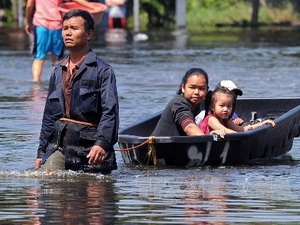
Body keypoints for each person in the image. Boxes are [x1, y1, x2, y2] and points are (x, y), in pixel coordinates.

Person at [35, 9, 119, 174]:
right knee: (48, 184)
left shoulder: (103, 71)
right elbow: (49, 115)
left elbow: (110, 113)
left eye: (74, 28)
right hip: (60, 146)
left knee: (96, 195)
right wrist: (41, 152)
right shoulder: (58, 70)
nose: (68, 33)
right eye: (65, 28)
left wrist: (102, 144)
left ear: (88, 34)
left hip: (91, 147)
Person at [25, 0, 93, 83]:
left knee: (39, 57)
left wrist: (28, 22)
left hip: (41, 24)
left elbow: (29, 6)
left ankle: (36, 83)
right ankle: (59, 82)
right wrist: (91, 6)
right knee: (57, 58)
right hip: (56, 25)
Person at [152, 68, 225, 137]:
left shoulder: (202, 104)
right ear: (183, 88)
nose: (196, 92)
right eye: (192, 87)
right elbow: (189, 127)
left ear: (207, 90)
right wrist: (207, 139)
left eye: (201, 89)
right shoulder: (178, 103)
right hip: (162, 147)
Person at [199, 86, 275, 135]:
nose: (225, 109)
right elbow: (226, 130)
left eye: (229, 106)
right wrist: (244, 136)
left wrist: (262, 124)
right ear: (212, 107)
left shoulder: (226, 120)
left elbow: (242, 129)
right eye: (222, 106)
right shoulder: (211, 119)